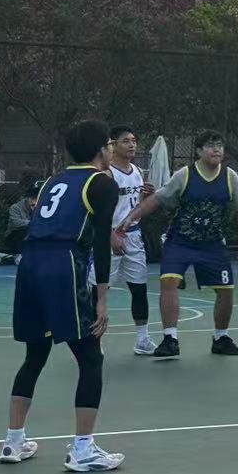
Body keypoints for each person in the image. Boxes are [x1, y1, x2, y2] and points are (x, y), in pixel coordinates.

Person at [1, 117, 124, 471]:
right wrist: (102, 299)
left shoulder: (53, 181)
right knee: (91, 357)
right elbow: (101, 245)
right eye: (110, 143)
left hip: (29, 264)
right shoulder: (102, 183)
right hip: (62, 265)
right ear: (102, 148)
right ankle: (83, 449)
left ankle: (13, 441)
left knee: (35, 355)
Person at [117, 130, 238, 359]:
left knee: (226, 290)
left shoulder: (230, 177)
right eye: (210, 145)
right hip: (180, 241)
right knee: (169, 281)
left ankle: (221, 338)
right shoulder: (185, 175)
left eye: (219, 145)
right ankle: (170, 338)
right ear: (199, 151)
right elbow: (157, 199)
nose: (216, 149)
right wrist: (131, 217)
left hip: (212, 244)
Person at [102, 127, 156, 357]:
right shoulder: (106, 174)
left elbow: (136, 206)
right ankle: (94, 340)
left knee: (139, 288)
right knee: (100, 290)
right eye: (126, 141)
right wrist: (110, 235)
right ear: (113, 145)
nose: (132, 145)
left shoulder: (137, 171)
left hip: (133, 236)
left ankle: (142, 339)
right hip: (109, 237)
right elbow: (97, 211)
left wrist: (147, 196)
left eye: (134, 140)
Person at [2, 181, 41, 258]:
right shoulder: (15, 207)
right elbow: (16, 223)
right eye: (33, 199)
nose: (35, 202)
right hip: (13, 236)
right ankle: (18, 256)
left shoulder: (38, 208)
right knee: (24, 230)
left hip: (29, 234)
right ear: (28, 199)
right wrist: (31, 223)